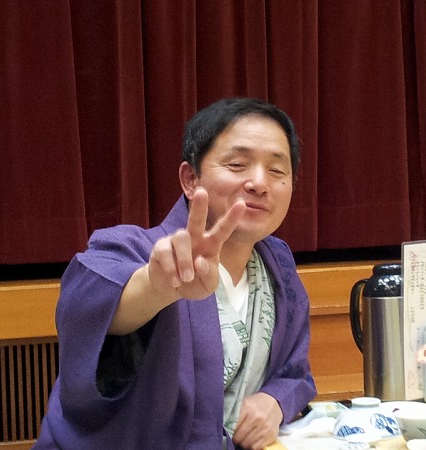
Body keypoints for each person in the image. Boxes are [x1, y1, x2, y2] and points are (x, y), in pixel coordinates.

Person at [34, 98, 317, 449]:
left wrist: (275, 401)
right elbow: (91, 310)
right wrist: (157, 288)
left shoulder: (279, 264)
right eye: (237, 164)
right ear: (190, 179)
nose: (260, 183)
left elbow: (295, 372)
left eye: (277, 171)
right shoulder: (133, 250)